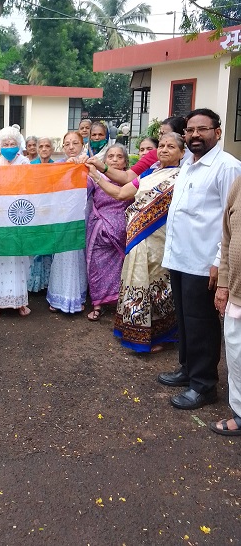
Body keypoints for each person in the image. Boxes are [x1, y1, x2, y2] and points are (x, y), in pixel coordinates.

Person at [158, 109, 241, 409]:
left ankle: (204, 385)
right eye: (190, 130)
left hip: (204, 262)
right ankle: (188, 369)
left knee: (201, 324)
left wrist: (219, 261)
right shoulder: (188, 165)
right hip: (180, 257)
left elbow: (231, 219)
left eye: (202, 129)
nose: (195, 135)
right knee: (185, 320)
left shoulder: (227, 167)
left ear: (217, 132)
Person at [89, 133, 185, 351]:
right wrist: (95, 175)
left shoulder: (183, 176)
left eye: (171, 146)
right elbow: (120, 193)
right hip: (137, 239)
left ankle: (159, 336)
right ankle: (136, 331)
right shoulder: (149, 173)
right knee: (137, 281)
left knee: (158, 286)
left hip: (160, 239)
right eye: (162, 145)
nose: (164, 149)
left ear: (182, 153)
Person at [0, 126, 31, 318]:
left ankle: (20, 301)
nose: (9, 146)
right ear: (0, 145)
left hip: (19, 216)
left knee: (20, 257)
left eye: (13, 143)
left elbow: (32, 188)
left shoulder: (25, 164)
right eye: (5, 143)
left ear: (18, 144)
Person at [85, 144, 131, 321]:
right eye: (110, 156)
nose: (114, 160)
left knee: (122, 269)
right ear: (104, 161)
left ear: (125, 162)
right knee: (96, 268)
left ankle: (120, 304)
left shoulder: (132, 180)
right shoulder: (96, 177)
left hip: (122, 234)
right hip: (99, 232)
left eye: (119, 157)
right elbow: (80, 187)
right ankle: (98, 304)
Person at [46, 131, 88, 314]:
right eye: (67, 144)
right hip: (62, 217)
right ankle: (58, 296)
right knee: (61, 255)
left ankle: (77, 296)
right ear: (63, 147)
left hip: (81, 215)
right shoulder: (57, 166)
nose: (71, 147)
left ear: (82, 145)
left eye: (75, 143)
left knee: (78, 255)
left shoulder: (89, 164)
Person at [213, 176, 241, 435]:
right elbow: (227, 237)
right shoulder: (239, 184)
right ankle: (240, 414)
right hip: (237, 293)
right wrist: (223, 284)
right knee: (236, 356)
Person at [89, 116, 187, 184]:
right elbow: (122, 192)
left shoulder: (191, 161)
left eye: (164, 134)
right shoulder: (151, 170)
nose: (160, 138)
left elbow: (126, 181)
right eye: (160, 134)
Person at [28, 137, 55, 293]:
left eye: (47, 146)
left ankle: (47, 283)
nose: (44, 149)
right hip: (34, 210)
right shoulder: (30, 166)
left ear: (52, 149)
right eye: (41, 146)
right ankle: (34, 283)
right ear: (37, 149)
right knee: (35, 245)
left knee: (48, 247)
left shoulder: (58, 167)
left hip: (51, 211)